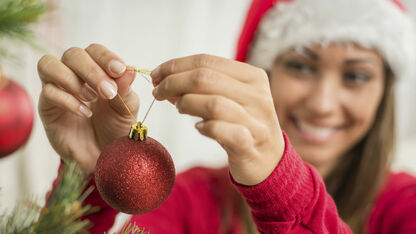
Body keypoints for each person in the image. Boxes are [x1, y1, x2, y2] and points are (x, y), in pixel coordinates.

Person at [37, 0, 416, 233]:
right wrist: (85, 182)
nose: (322, 104)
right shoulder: (186, 199)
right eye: (301, 66)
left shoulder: (406, 207)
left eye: (355, 76)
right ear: (260, 72)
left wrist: (281, 187)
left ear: (385, 93)